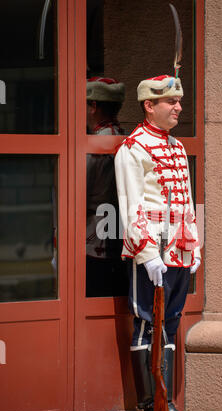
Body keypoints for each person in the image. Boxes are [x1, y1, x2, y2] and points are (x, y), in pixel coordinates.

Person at [114, 74, 201, 411]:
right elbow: (130, 205)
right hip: (151, 251)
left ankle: (168, 401)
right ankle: (150, 405)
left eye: (179, 101)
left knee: (172, 320)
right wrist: (146, 253)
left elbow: (187, 203)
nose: (179, 107)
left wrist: (193, 246)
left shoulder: (177, 147)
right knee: (147, 322)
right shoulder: (133, 149)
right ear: (150, 106)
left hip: (179, 249)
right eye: (171, 102)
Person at [86, 77, 128, 297]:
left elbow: (77, 193)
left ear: (93, 106)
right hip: (121, 232)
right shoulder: (128, 139)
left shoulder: (94, 144)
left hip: (94, 236)